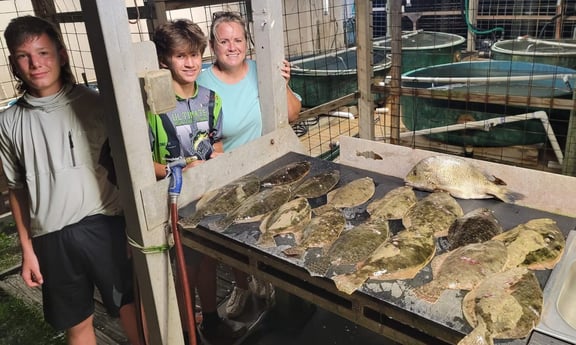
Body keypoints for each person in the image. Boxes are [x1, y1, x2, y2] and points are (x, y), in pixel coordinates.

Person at [0, 16, 143, 345]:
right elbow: (17, 190)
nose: (36, 63)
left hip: (105, 226)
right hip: (50, 237)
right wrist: (27, 250)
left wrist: (132, 230)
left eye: (43, 52)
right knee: (77, 325)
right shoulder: (8, 123)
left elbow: (126, 169)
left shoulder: (97, 105)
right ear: (13, 63)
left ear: (61, 55)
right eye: (24, 56)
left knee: (131, 309)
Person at [197, 11, 302, 319]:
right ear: (213, 46)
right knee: (235, 240)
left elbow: (293, 115)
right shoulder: (202, 82)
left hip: (271, 167)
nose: (232, 47)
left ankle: (274, 285)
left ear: (248, 43)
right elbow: (204, 139)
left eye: (238, 39)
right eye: (224, 40)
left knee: (273, 231)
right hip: (228, 173)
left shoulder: (262, 69)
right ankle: (243, 286)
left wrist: (282, 83)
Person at [148, 19, 246, 343]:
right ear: (165, 60)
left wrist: (214, 160)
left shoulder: (210, 99)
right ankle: (187, 331)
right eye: (180, 56)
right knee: (184, 270)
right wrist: (178, 169)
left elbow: (215, 145)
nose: (189, 63)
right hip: (172, 205)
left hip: (206, 198)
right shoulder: (153, 108)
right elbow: (144, 164)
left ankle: (212, 320)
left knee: (208, 261)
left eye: (194, 55)